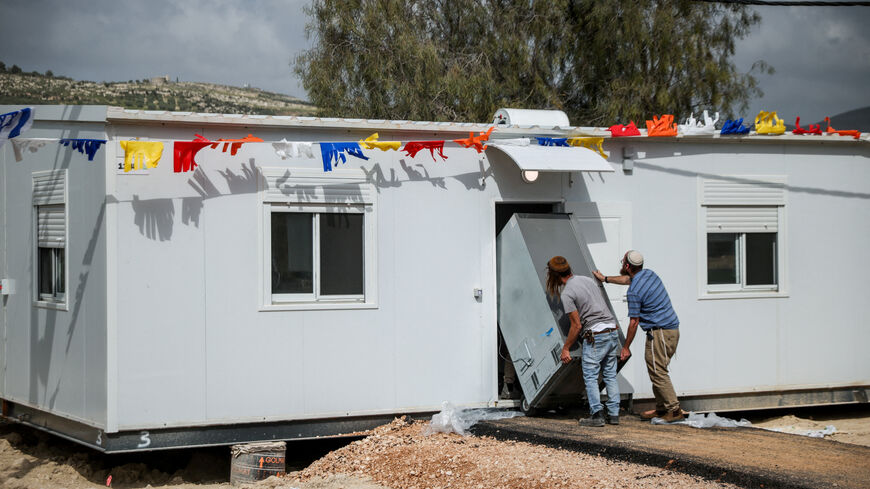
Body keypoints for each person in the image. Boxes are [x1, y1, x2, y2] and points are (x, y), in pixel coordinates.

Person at [593, 250, 684, 422]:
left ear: (627, 266)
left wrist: (626, 347)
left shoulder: (634, 292)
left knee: (658, 371)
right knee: (655, 369)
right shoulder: (649, 275)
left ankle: (674, 410)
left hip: (661, 332)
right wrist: (605, 279)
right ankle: (661, 408)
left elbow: (634, 322)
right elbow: (628, 279)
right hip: (665, 330)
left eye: (623, 263)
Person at [546, 256, 620, 427]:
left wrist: (565, 348)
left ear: (554, 276)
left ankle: (597, 415)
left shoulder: (567, 293)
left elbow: (576, 325)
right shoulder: (587, 280)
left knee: (591, 376)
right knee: (610, 375)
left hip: (596, 334)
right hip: (611, 329)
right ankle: (614, 415)